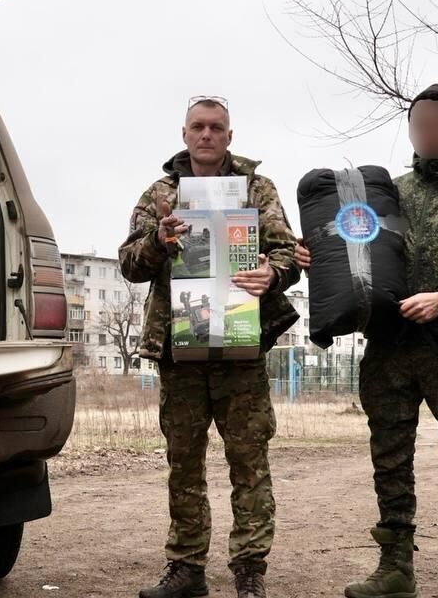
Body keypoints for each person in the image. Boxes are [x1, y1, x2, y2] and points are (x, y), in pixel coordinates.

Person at [295, 83, 438, 598]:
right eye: (417, 125)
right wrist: (321, 257)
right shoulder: (392, 190)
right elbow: (363, 252)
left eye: (436, 123)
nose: (425, 133)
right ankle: (395, 568)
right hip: (389, 349)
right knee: (389, 459)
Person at [120, 96, 301, 598]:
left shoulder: (256, 190)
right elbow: (130, 264)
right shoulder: (162, 193)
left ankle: (249, 570)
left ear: (229, 135)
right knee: (184, 461)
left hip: (242, 346)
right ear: (184, 134)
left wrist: (275, 272)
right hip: (181, 349)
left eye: (216, 127)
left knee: (249, 460)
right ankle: (186, 569)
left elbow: (288, 252)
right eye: (198, 126)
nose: (206, 135)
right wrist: (158, 239)